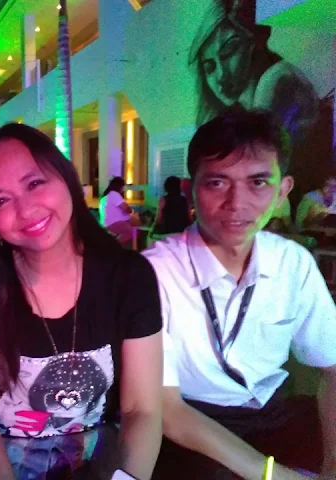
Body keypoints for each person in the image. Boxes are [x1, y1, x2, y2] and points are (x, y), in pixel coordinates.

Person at [0, 123, 163, 480]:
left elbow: (142, 410)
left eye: (34, 183)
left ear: (65, 177)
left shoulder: (129, 276)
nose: (26, 209)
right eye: (1, 200)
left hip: (104, 463)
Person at [144, 109, 336, 479]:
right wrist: (274, 475)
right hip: (194, 421)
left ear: (283, 191)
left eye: (258, 182)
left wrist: (332, 466)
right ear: (190, 189)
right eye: (217, 183)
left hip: (274, 412)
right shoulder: (156, 272)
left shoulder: (292, 263)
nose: (236, 203)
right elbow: (166, 409)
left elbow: (332, 366)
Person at [189, 0, 333, 207]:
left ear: (253, 42)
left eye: (230, 51)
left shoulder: (277, 80)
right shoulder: (246, 106)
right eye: (209, 67)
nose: (221, 75)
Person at [99, 176, 137, 244]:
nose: (124, 188)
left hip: (106, 223)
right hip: (113, 223)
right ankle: (114, 245)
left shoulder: (105, 196)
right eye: (123, 186)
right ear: (120, 186)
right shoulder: (114, 194)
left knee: (135, 222)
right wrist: (131, 211)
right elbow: (125, 208)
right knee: (132, 231)